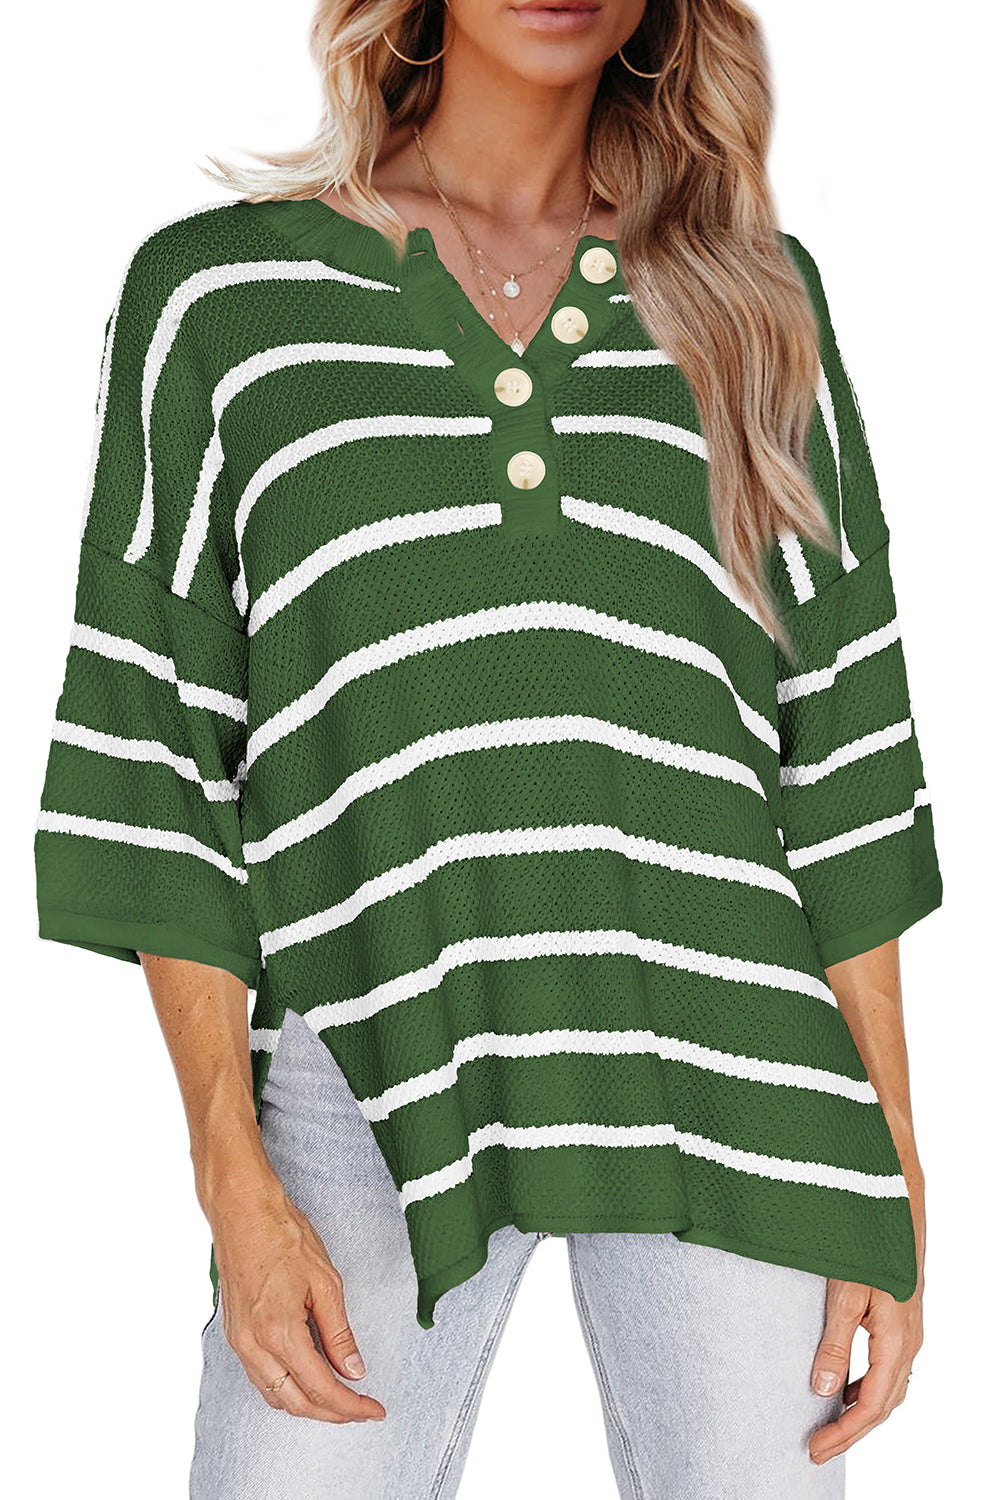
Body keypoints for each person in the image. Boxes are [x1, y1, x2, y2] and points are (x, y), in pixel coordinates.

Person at [33, 1, 943, 1495]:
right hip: (369, 1043)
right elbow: (153, 753)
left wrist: (887, 1169)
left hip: (726, 1063)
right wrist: (229, 1173)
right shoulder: (221, 300)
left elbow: (843, 756)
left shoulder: (755, 299)